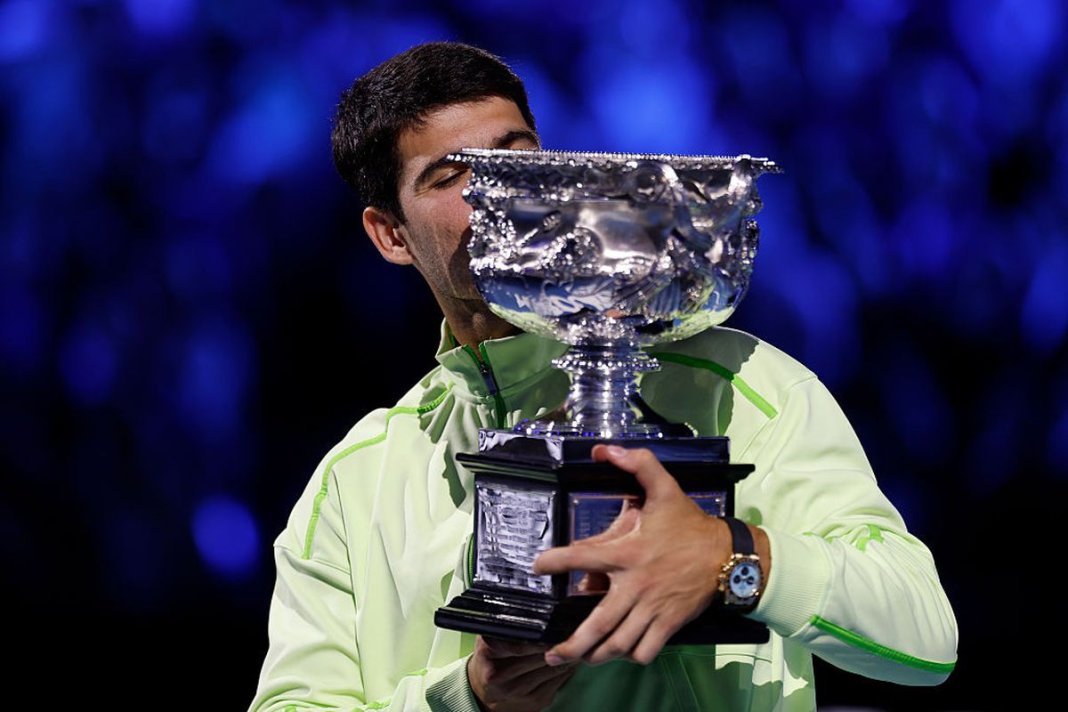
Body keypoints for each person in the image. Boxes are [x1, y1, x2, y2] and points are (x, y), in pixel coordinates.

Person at [248, 41, 958, 711]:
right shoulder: (357, 478)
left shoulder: (745, 389)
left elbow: (924, 641)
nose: (500, 191)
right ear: (390, 234)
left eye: (516, 155)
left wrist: (735, 557)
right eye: (453, 175)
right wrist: (473, 697)